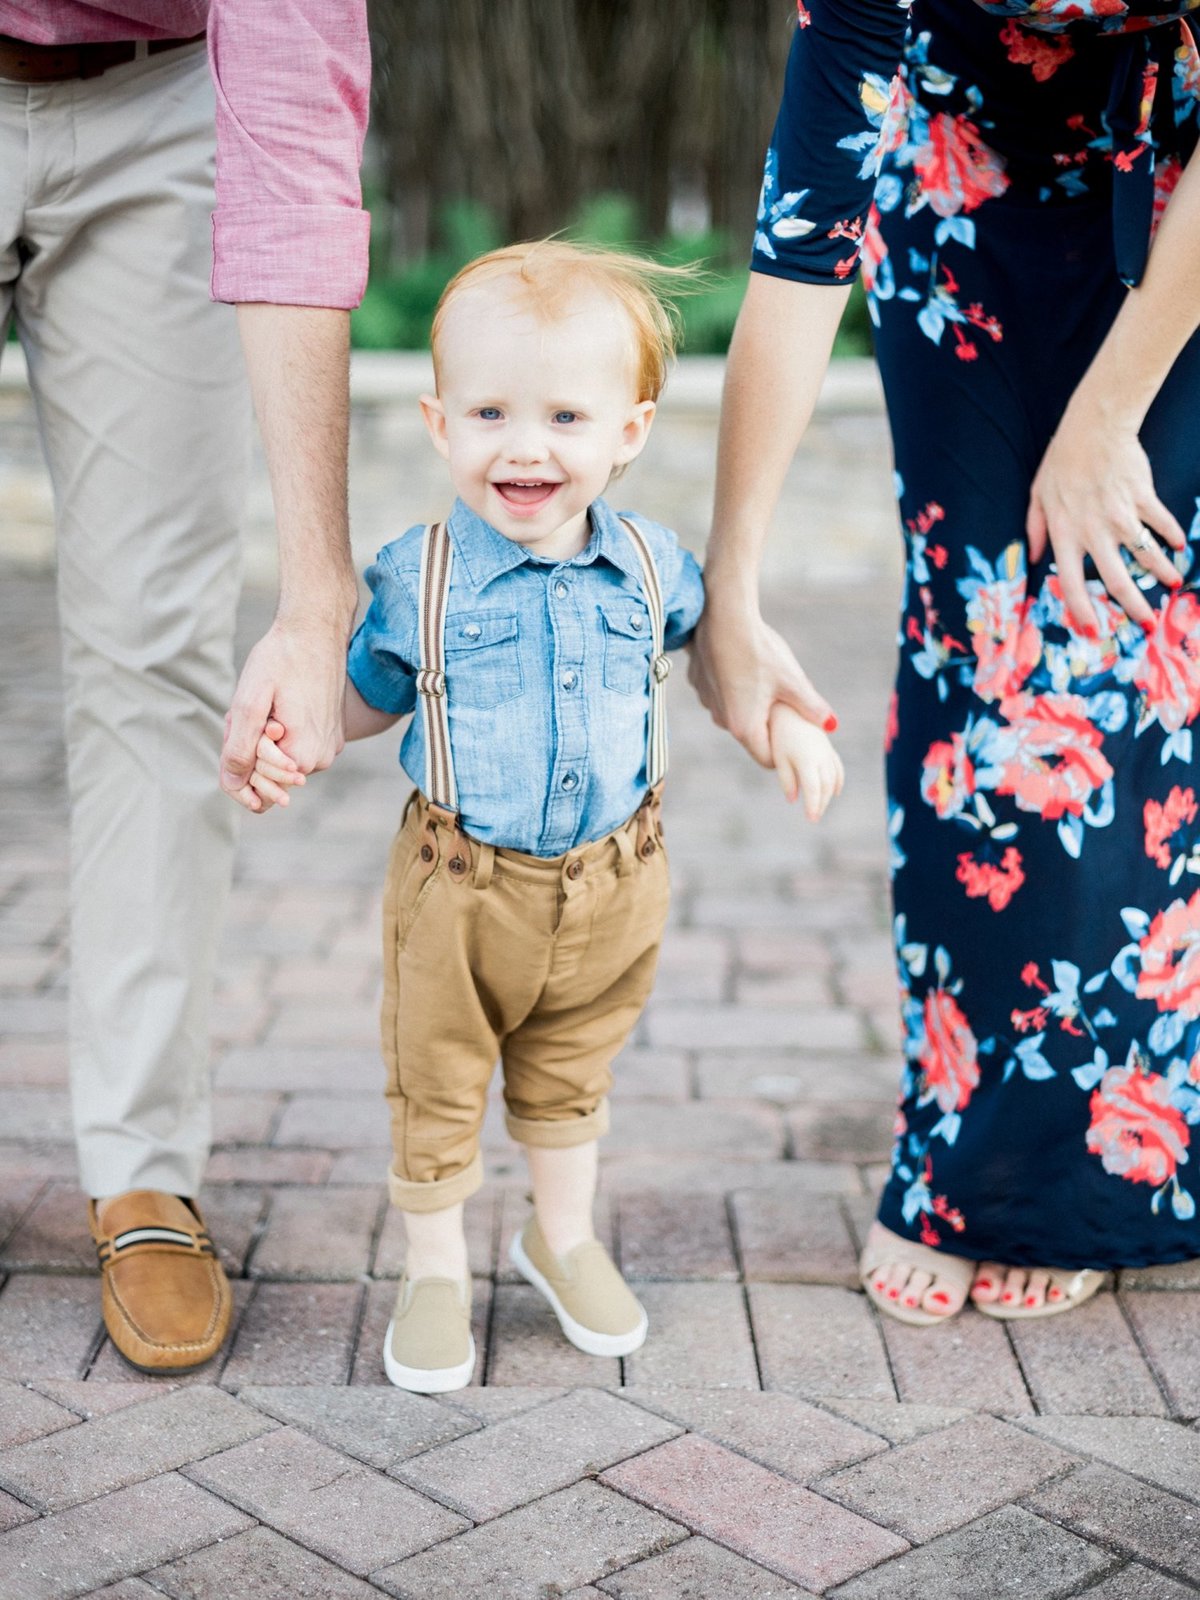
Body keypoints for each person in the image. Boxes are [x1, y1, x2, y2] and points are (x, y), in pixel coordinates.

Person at [251, 240, 844, 1390]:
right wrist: (295, 733)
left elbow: (721, 662)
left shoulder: (655, 567)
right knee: (437, 1075)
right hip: (456, 888)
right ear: (438, 424)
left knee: (573, 1070)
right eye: (489, 412)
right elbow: (366, 702)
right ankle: (432, 1267)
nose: (525, 445)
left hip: (618, 881)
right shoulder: (413, 578)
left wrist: (788, 729)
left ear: (629, 431)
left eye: (566, 416)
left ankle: (559, 1238)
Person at [691, 0, 1200, 1325]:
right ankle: (972, 1152)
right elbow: (799, 254)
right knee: (979, 657)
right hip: (961, 208)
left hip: (1179, 201)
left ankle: (1092, 1173)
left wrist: (1107, 413)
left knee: (1130, 666)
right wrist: (729, 589)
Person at [0, 4, 369, 1371]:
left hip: (165, 98)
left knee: (155, 659)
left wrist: (317, 596)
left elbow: (292, 141)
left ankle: (143, 1162)